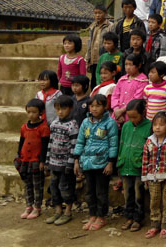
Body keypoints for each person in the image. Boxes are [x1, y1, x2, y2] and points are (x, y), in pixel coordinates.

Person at [73, 94, 118, 231]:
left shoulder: (110, 123)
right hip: (87, 163)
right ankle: (92, 215)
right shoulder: (85, 123)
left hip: (102, 164)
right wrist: (77, 160)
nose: (94, 109)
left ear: (105, 107)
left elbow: (113, 144)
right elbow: (80, 142)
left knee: (101, 192)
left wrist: (110, 162)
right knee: (89, 192)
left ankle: (101, 216)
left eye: (98, 106)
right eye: (92, 106)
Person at [141, 111, 166, 239]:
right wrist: (145, 176)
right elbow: (145, 159)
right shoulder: (149, 141)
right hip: (153, 177)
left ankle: (165, 226)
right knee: (154, 201)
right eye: (155, 125)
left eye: (161, 125)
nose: (157, 127)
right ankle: (155, 225)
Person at [117, 99, 151, 232]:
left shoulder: (149, 126)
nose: (132, 120)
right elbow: (121, 144)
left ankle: (138, 218)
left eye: (135, 117)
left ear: (143, 113)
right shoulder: (126, 126)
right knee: (127, 194)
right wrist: (119, 163)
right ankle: (128, 217)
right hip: (125, 165)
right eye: (129, 117)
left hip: (139, 167)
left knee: (138, 195)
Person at [45, 95, 79, 226]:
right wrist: (47, 160)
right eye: (58, 109)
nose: (60, 112)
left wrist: (70, 164)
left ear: (70, 108)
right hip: (53, 163)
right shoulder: (54, 124)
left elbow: (74, 146)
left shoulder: (72, 125)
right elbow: (50, 142)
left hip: (65, 165)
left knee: (65, 187)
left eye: (63, 109)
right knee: (54, 187)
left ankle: (68, 211)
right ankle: (58, 210)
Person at [16, 98, 50, 220]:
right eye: (29, 112)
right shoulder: (24, 128)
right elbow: (21, 142)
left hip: (36, 161)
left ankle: (37, 207)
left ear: (41, 112)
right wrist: (19, 156)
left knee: (37, 185)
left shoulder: (44, 128)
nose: (31, 115)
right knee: (28, 185)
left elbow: (45, 146)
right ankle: (28, 206)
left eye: (34, 112)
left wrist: (42, 161)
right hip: (25, 160)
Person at [111, 54, 149, 126]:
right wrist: (116, 110)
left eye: (131, 65)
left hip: (131, 115)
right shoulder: (122, 79)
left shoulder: (142, 81)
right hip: (117, 115)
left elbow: (137, 99)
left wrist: (121, 111)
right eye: (126, 64)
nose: (128, 67)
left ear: (139, 66)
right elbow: (115, 96)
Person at [85, 4, 114, 88]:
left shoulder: (110, 26)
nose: (97, 15)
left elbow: (113, 41)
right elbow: (90, 43)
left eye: (100, 13)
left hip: (105, 57)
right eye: (95, 13)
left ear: (105, 14)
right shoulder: (92, 26)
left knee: (104, 80)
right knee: (94, 81)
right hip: (94, 59)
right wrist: (88, 58)